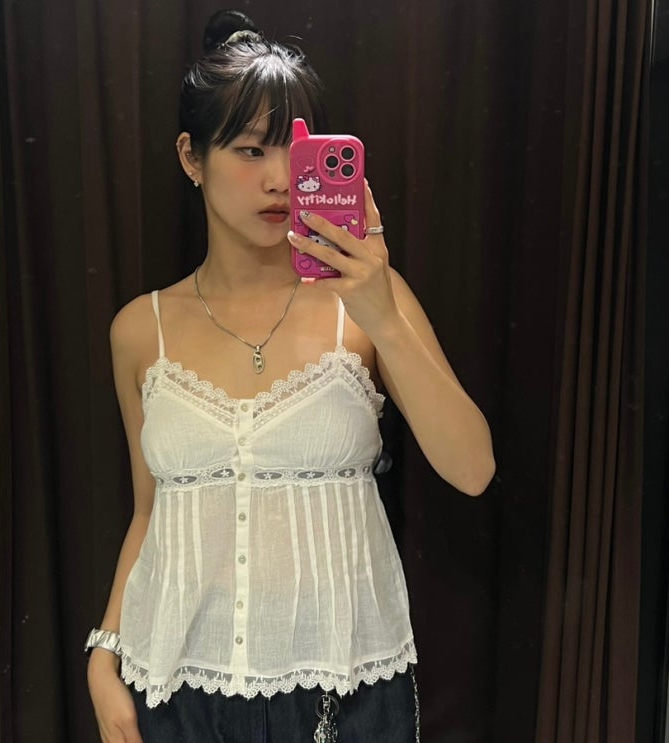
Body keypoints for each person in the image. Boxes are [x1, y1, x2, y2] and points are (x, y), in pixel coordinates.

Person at [86, 9, 495, 743]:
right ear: (191, 157)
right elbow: (150, 512)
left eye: (293, 151)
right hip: (174, 691)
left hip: (345, 694)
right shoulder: (139, 330)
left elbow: (471, 469)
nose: (277, 179)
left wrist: (381, 312)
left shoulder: (368, 302)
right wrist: (104, 655)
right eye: (249, 150)